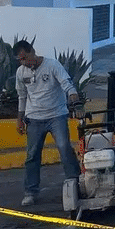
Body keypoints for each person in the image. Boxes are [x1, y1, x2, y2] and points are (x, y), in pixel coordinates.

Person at [14, 40, 82, 206]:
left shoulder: (52, 65)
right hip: (34, 118)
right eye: (20, 60)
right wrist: (19, 120)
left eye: (25, 58)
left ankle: (76, 184)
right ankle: (30, 191)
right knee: (32, 155)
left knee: (64, 148)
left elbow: (66, 84)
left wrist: (75, 99)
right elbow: (22, 97)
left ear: (32, 52)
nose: (24, 62)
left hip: (56, 116)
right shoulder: (20, 73)